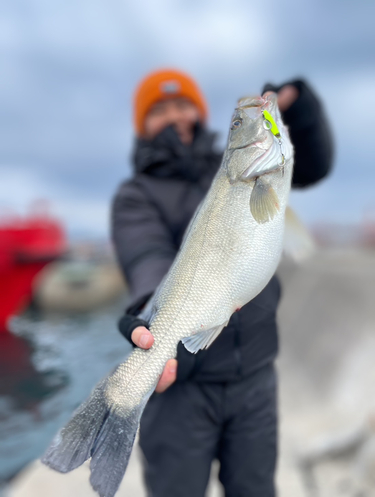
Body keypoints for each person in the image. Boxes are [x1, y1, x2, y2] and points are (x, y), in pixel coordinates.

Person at [111, 69, 333, 497]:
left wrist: (299, 110)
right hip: (179, 392)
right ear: (142, 125)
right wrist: (152, 321)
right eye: (159, 109)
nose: (175, 115)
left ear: (199, 110)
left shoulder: (243, 165)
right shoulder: (135, 195)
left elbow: (316, 165)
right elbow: (147, 260)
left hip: (254, 377)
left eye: (183, 104)